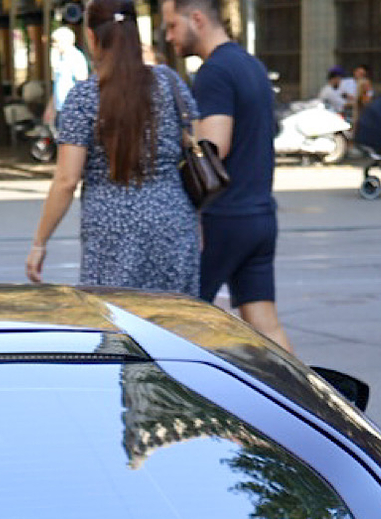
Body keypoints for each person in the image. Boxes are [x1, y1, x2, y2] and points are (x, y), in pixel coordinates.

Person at [28, 0, 199, 294]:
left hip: (111, 232)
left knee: (117, 324)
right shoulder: (169, 83)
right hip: (173, 222)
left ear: (92, 37)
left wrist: (40, 242)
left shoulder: (84, 98)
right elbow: (196, 140)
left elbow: (66, 181)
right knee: (175, 326)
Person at [164, 0, 291, 351]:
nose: (169, 36)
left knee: (174, 321)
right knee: (268, 329)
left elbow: (214, 146)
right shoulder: (252, 66)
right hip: (260, 215)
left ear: (197, 19)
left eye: (172, 26)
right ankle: (312, 403)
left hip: (224, 217)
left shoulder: (214, 71)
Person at [48, 23, 89, 127]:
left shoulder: (76, 57)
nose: (54, 45)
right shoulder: (60, 59)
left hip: (72, 110)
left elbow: (82, 83)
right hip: (61, 108)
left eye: (56, 42)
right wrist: (51, 107)